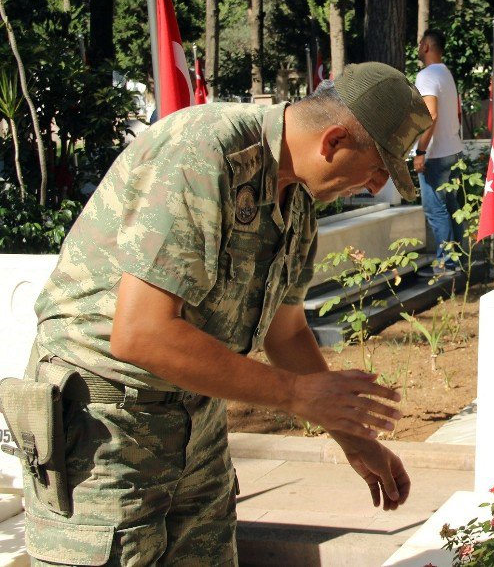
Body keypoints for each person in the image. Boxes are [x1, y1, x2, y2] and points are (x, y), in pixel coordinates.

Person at [10, 63, 431, 565]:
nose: (373, 186)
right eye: (377, 167)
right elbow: (141, 334)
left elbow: (287, 330)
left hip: (196, 426)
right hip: (103, 435)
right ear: (334, 140)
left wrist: (351, 437)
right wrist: (297, 395)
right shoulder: (204, 153)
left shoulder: (295, 198)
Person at [414, 28, 465, 275]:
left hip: (435, 154)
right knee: (452, 206)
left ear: (426, 46)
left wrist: (420, 150)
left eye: (420, 43)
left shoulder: (426, 76)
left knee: (436, 209)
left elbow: (430, 114)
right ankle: (457, 260)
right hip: (453, 150)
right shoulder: (445, 73)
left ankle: (446, 264)